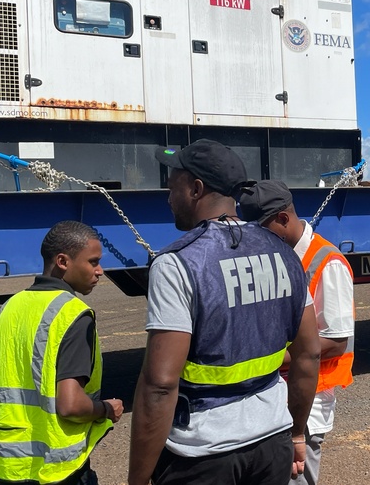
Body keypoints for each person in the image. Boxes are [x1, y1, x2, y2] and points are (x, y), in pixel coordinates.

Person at [128, 139, 320, 485]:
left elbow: (159, 384)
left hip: (202, 454)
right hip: (272, 442)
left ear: (196, 189)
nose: (168, 197)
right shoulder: (284, 253)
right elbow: (309, 354)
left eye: (173, 187)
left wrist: (137, 479)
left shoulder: (177, 263)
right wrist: (296, 433)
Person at [0, 220, 124, 485]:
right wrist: (106, 410)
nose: (100, 271)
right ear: (63, 261)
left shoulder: (11, 306)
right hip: (57, 470)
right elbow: (70, 405)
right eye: (93, 262)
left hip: (10, 465)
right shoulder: (72, 315)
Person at [239, 180, 355, 485]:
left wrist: (268, 360)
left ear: (283, 219)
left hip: (309, 399)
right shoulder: (275, 256)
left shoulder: (326, 263)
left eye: (262, 230)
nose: (257, 240)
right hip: (276, 396)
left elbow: (336, 341)